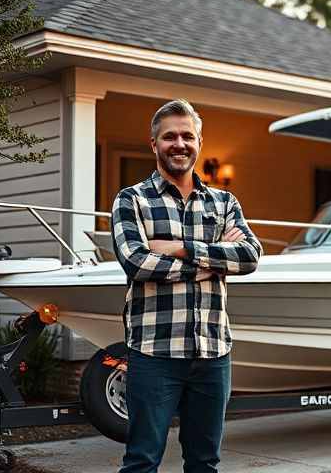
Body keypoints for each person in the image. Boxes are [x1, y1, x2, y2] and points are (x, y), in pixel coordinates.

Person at [111, 99, 262, 472]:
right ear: (154, 145)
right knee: (141, 461)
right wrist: (211, 262)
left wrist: (180, 249)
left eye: (187, 136)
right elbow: (136, 262)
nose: (179, 144)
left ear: (198, 143)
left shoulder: (224, 202)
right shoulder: (132, 200)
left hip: (212, 355)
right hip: (153, 354)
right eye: (169, 137)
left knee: (204, 463)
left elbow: (249, 256)